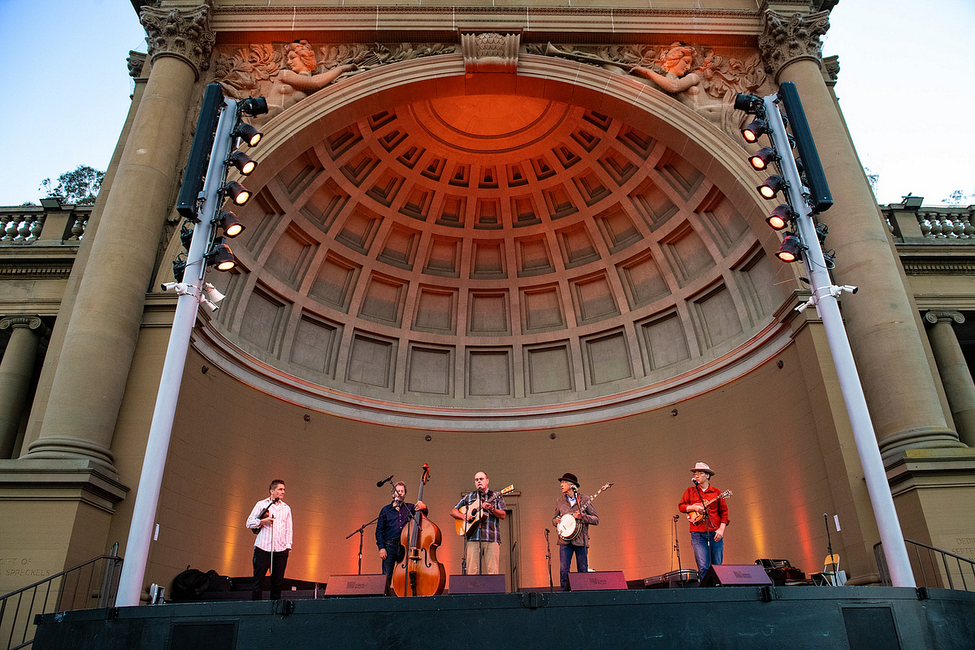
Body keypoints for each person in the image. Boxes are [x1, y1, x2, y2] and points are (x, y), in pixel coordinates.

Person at [678, 462, 729, 583]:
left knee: (717, 566)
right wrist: (694, 507)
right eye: (695, 473)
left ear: (707, 475)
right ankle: (705, 590)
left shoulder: (716, 492)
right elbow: (681, 506)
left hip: (715, 533)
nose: (697, 475)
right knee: (703, 566)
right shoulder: (690, 491)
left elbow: (724, 512)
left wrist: (721, 529)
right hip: (697, 533)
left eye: (700, 473)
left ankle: (717, 590)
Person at [450, 471, 507, 575]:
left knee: (493, 573)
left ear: (487, 481)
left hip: (492, 538)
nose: (479, 481)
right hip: (473, 538)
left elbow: (503, 515)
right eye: (476, 480)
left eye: (481, 479)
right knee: (471, 572)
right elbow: (453, 511)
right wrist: (463, 516)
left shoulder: (496, 496)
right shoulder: (469, 496)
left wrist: (492, 509)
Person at [245, 479, 293, 600]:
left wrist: (288, 546)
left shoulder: (286, 508)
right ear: (272, 491)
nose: (283, 492)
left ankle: (275, 608)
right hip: (263, 548)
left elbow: (288, 528)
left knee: (277, 583)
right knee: (258, 581)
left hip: (280, 549)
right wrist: (262, 522)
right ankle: (256, 607)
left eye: (284, 489)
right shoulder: (261, 504)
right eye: (280, 489)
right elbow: (249, 523)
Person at [375, 481, 427, 593]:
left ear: (404, 494)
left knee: (405, 574)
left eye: (402, 491)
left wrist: (424, 507)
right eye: (397, 491)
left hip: (405, 546)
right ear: (393, 494)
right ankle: (385, 598)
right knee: (387, 575)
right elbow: (379, 531)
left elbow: (423, 515)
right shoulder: (385, 510)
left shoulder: (409, 508)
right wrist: (381, 548)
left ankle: (403, 596)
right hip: (389, 546)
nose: (400, 493)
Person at [552, 472, 599, 591]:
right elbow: (554, 519)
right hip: (565, 541)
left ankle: (583, 595)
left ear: (572, 485)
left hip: (580, 540)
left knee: (582, 570)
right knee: (564, 571)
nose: (561, 485)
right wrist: (556, 521)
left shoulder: (585, 499)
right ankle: (564, 596)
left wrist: (582, 517)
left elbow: (596, 519)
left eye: (564, 482)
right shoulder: (560, 500)